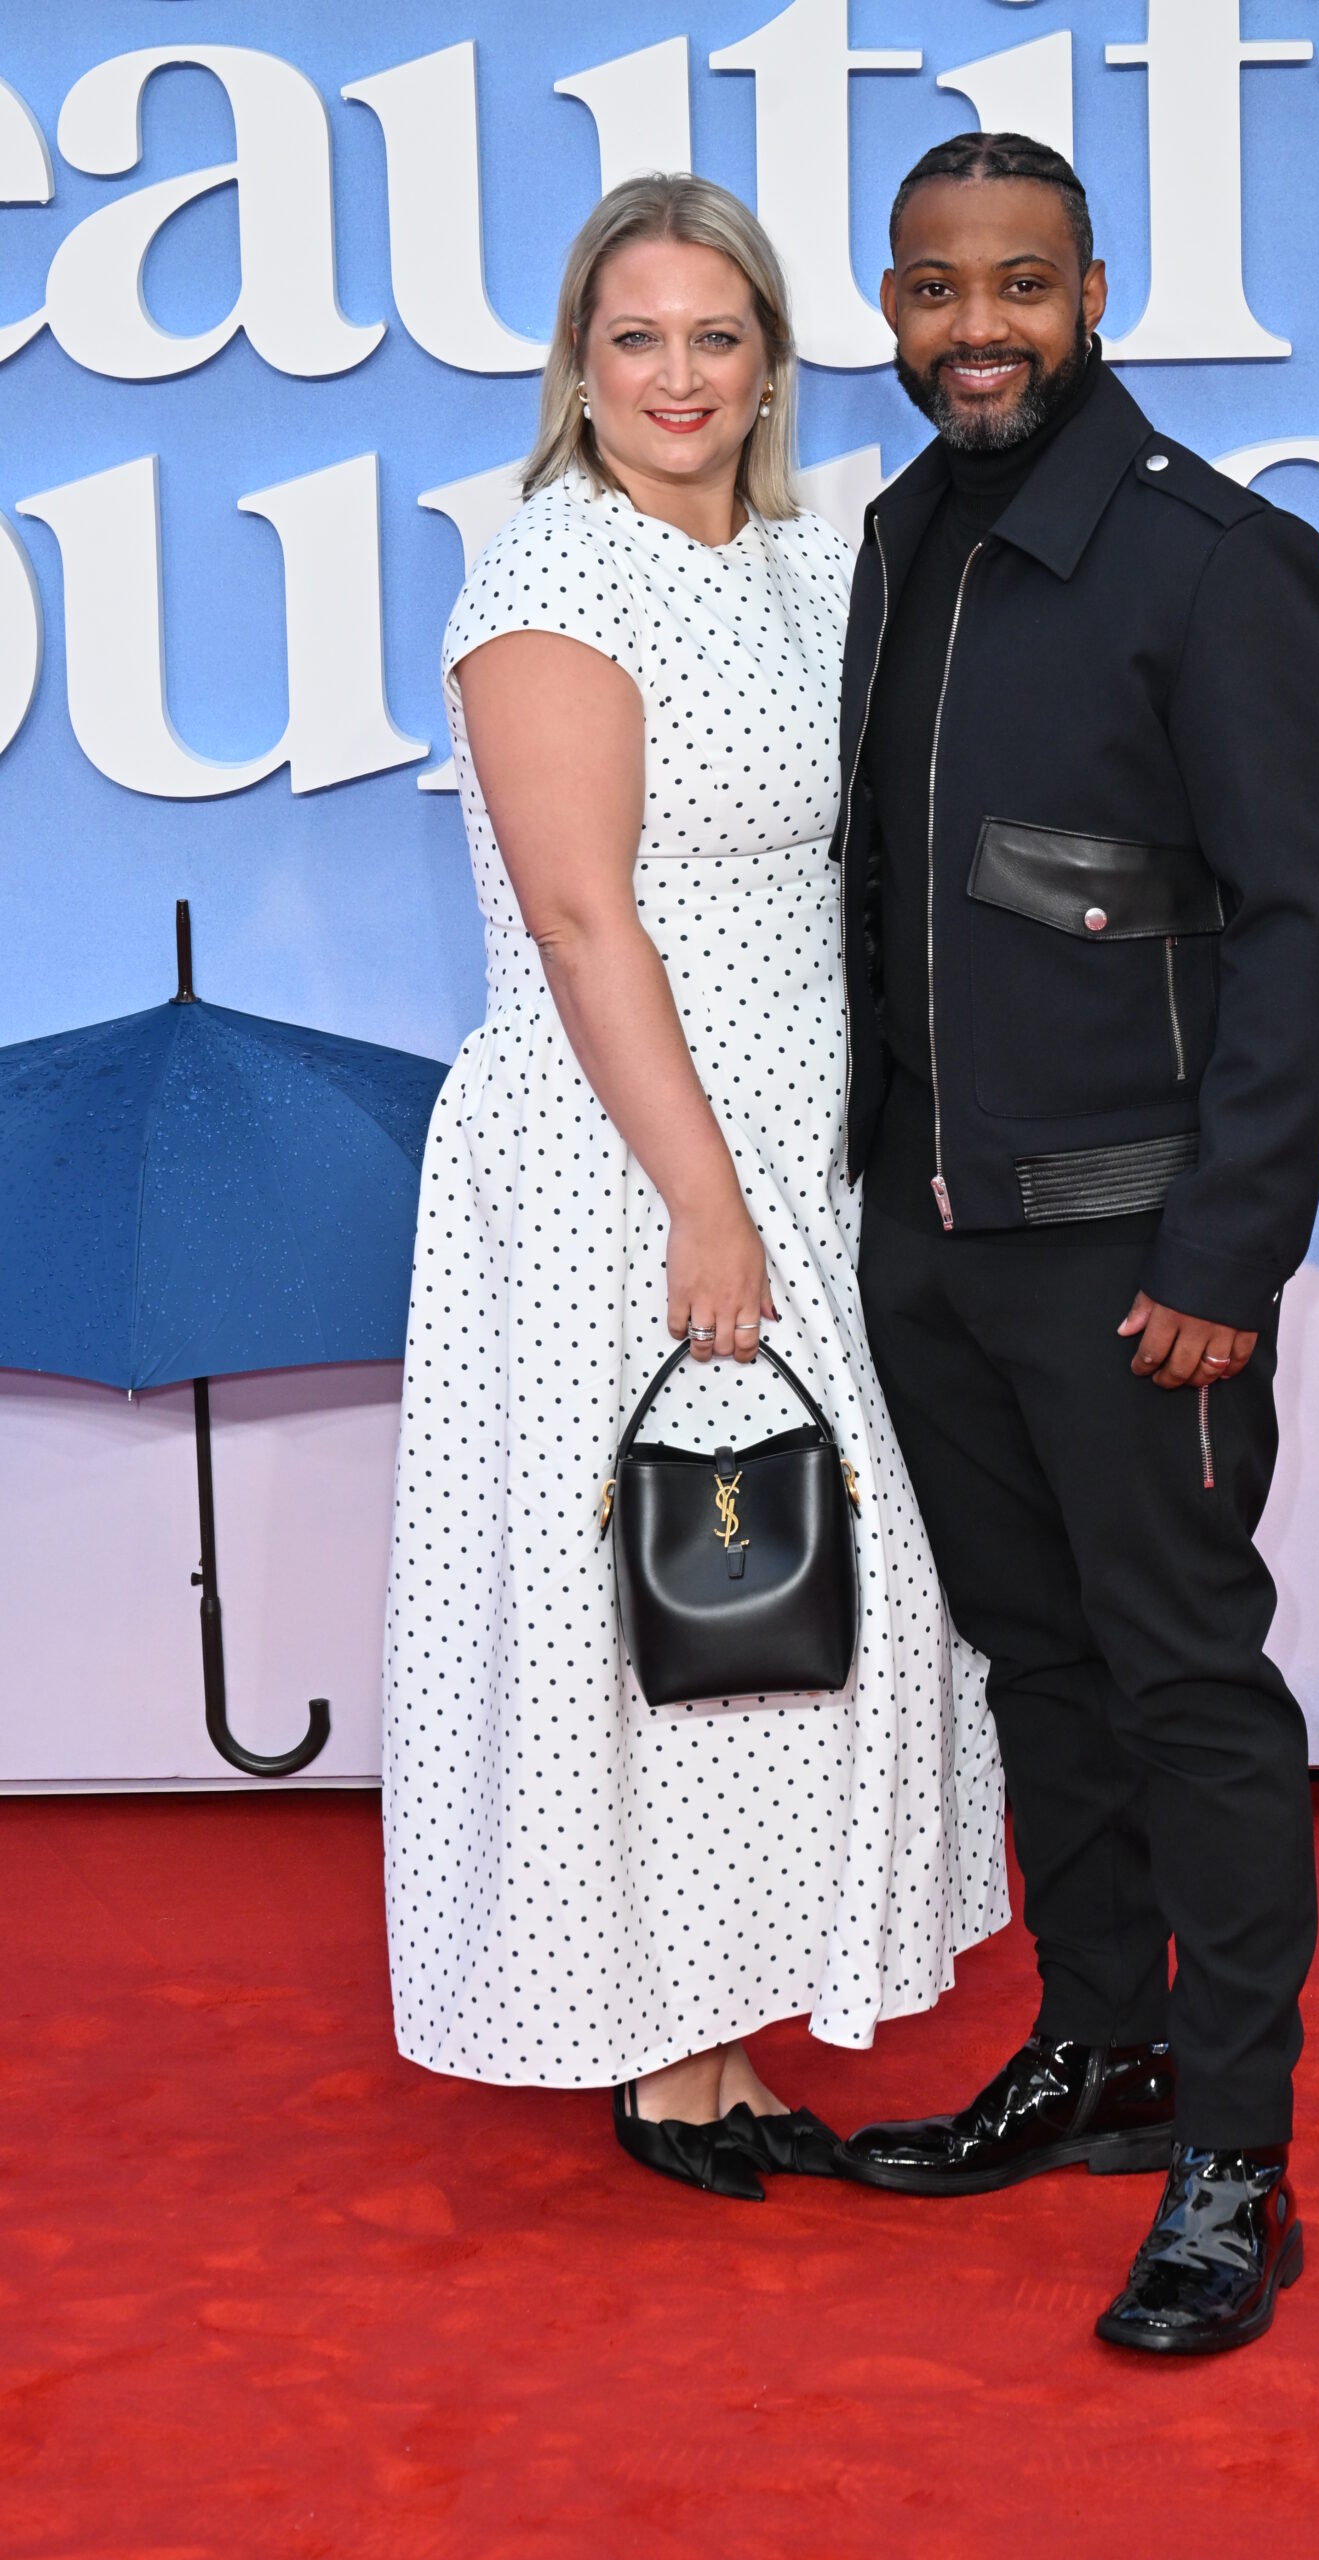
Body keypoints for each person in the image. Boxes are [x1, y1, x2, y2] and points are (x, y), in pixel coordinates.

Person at [382, 175, 1007, 2202]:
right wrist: (700, 1200)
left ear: (765, 367)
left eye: (712, 336)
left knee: (792, 1580)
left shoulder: (812, 564)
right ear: (579, 362)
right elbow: (580, 923)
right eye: (634, 335)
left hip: (798, 1141)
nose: (675, 373)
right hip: (612, 1157)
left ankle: (729, 2028)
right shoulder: (546, 580)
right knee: (654, 1583)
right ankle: (653, 2047)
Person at [833, 134, 1319, 2354]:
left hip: (1136, 1262)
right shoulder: (894, 532)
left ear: (1093, 293)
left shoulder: (1211, 557)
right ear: (888, 302)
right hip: (934, 1245)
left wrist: (1224, 1256)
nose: (978, 328)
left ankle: (1233, 2148)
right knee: (1034, 1671)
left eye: (1021, 285)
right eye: (939, 287)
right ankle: (1102, 2049)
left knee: (1184, 1683)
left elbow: (1295, 921)